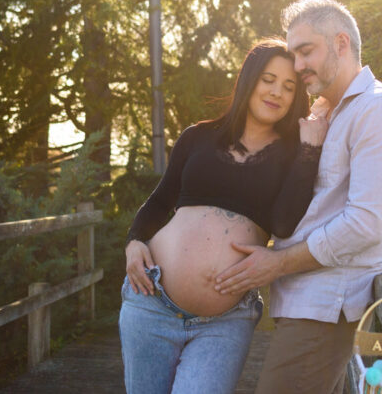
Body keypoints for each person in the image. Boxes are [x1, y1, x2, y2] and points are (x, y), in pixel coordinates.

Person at [213, 0, 382, 394]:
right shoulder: (330, 113)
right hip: (303, 303)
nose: (296, 66)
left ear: (341, 44)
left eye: (305, 51)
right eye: (294, 54)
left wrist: (276, 264)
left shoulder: (381, 110)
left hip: (327, 305)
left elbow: (366, 225)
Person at [119, 38, 328, 394]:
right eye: (268, 79)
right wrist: (134, 242)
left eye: (289, 86)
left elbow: (283, 224)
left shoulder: (294, 154)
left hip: (225, 321)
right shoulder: (197, 137)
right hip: (151, 304)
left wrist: (310, 148)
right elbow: (158, 202)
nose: (277, 91)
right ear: (249, 79)